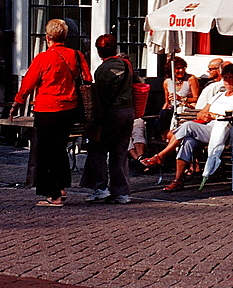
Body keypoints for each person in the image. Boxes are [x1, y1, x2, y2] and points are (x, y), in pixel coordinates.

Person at [12, 19, 91, 207]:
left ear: (48, 38)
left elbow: (29, 83)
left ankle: (53, 195)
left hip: (47, 109)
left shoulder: (43, 58)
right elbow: (87, 78)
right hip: (70, 109)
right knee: (60, 149)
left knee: (47, 152)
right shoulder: (77, 56)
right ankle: (62, 187)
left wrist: (18, 101)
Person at [141, 63, 233, 192]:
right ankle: (178, 179)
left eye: (230, 77)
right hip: (208, 128)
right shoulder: (218, 95)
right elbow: (201, 112)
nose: (227, 81)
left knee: (188, 125)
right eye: (225, 77)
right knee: (187, 142)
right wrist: (205, 114)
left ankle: (161, 156)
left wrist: (214, 116)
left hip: (223, 132)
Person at [79, 34, 139, 204]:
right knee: (119, 152)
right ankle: (121, 192)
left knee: (97, 150)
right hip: (128, 111)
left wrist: (94, 119)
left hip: (111, 113)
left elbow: (101, 96)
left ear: (99, 51)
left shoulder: (103, 70)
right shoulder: (127, 65)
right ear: (116, 48)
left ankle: (101, 188)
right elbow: (137, 84)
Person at [158, 57, 200, 139]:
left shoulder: (191, 79)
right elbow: (167, 102)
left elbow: (196, 98)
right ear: (171, 70)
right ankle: (163, 139)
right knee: (163, 115)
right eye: (177, 68)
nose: (181, 70)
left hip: (186, 108)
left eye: (182, 68)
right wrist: (162, 112)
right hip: (172, 108)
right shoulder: (167, 82)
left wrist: (181, 98)